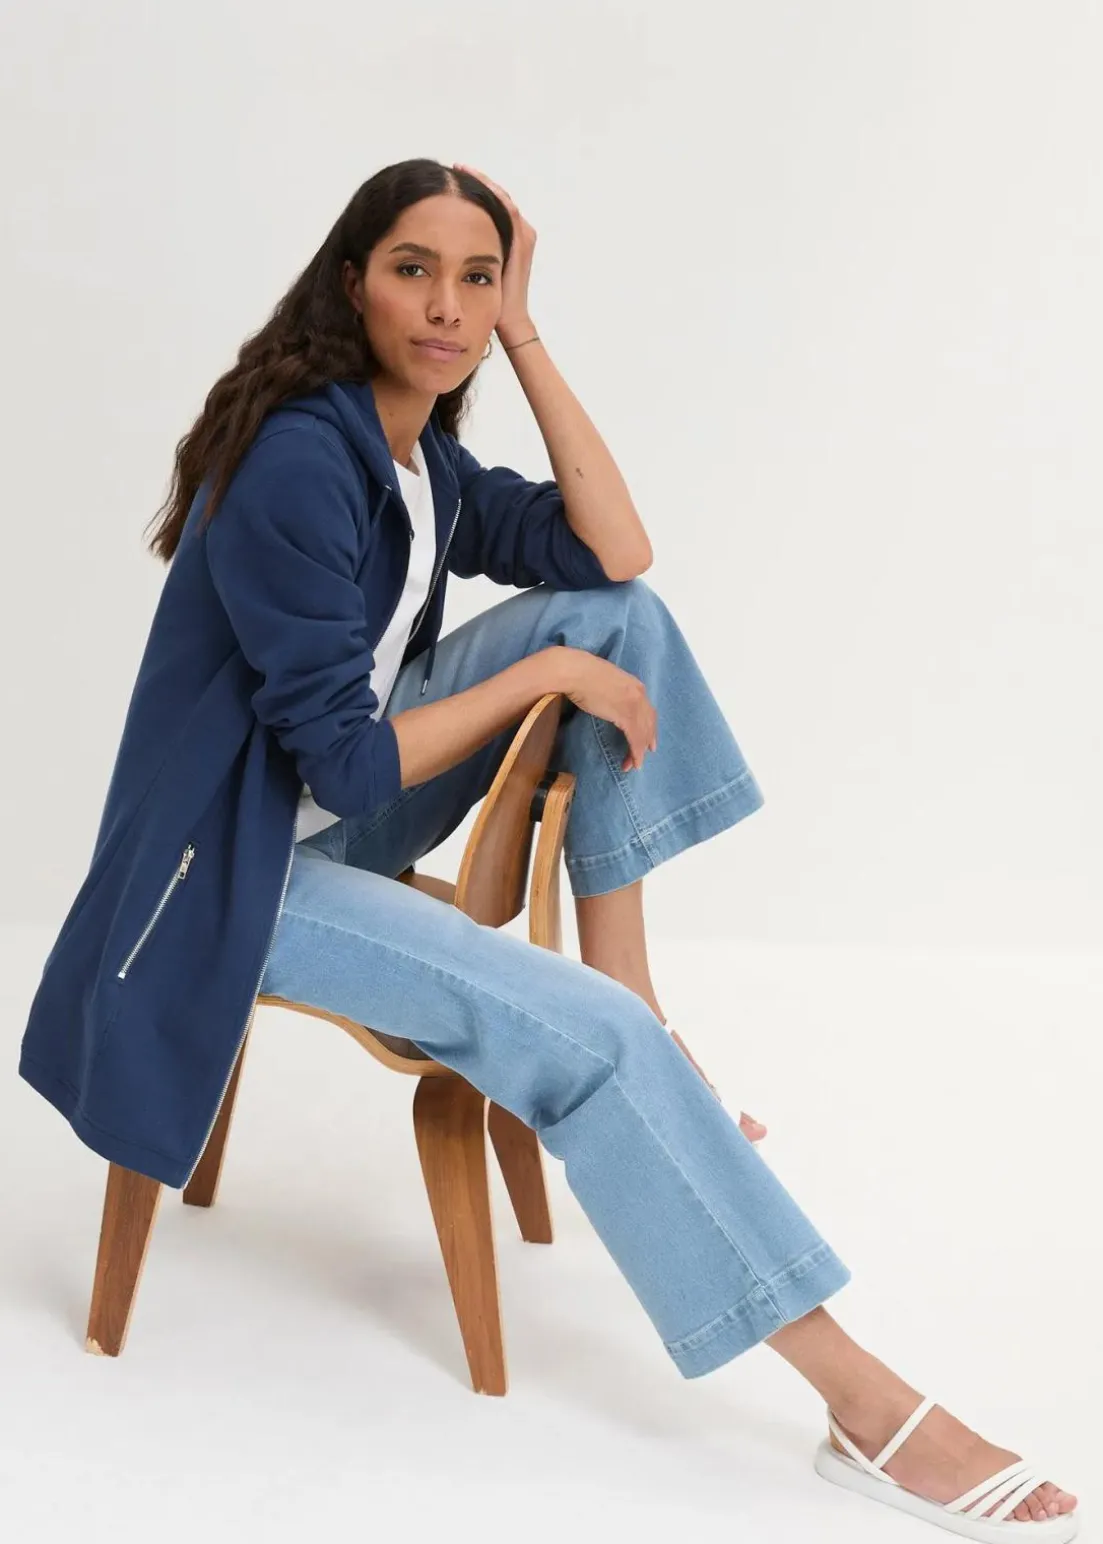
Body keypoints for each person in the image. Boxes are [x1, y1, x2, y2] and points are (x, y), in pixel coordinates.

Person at [18, 158, 1078, 1540]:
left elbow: (616, 553)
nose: (447, 306)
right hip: (226, 873)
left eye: (478, 278)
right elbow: (345, 765)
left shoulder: (416, 459)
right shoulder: (299, 459)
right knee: (593, 1033)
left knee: (618, 622)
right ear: (350, 281)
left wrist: (526, 336)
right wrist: (537, 679)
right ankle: (865, 1406)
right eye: (415, 270)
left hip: (323, 814)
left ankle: (631, 989)